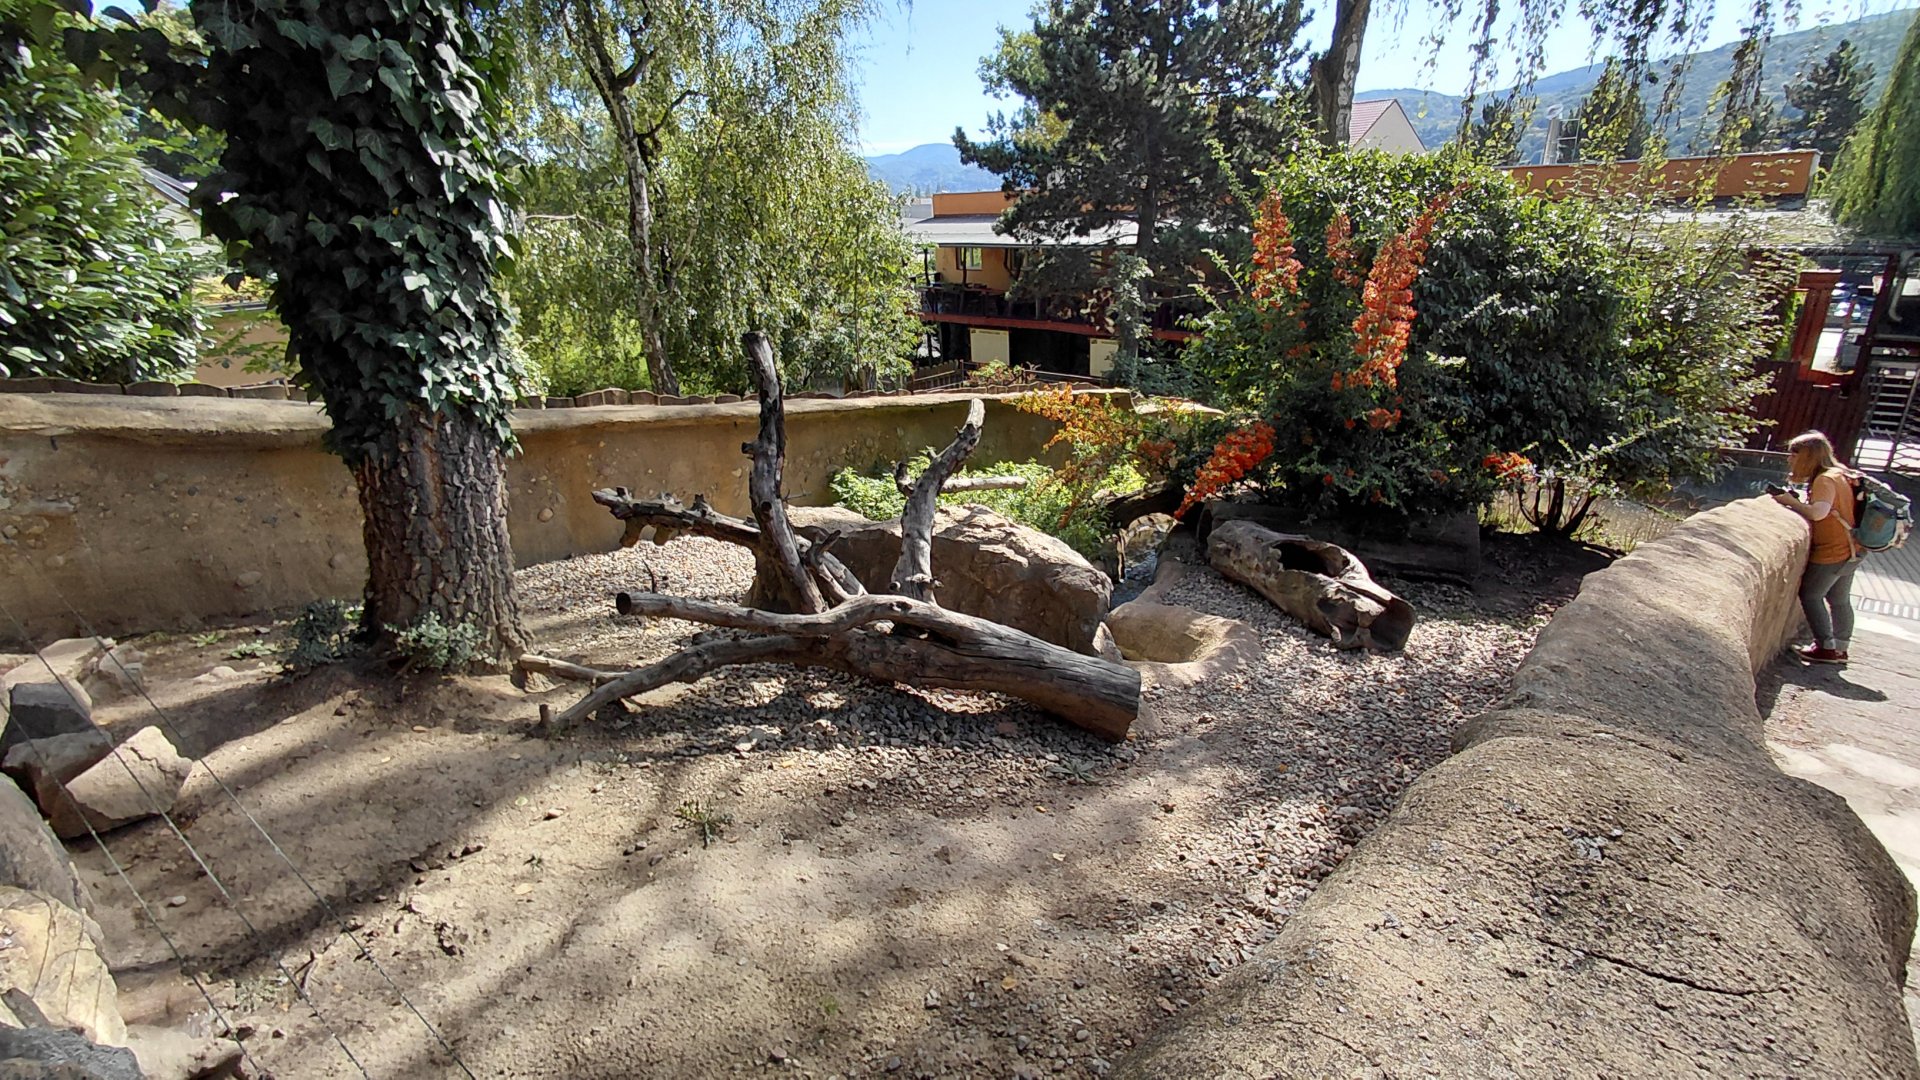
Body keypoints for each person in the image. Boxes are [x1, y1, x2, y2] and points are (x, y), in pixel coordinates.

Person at [1771, 430, 1859, 664]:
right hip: (1852, 548)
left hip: (1833, 550)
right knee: (1839, 599)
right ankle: (1841, 647)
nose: (1789, 459)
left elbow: (1819, 513)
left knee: (1811, 595)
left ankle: (1826, 647)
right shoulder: (1840, 473)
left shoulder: (1825, 479)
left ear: (1808, 456)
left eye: (1794, 454)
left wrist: (1790, 502)